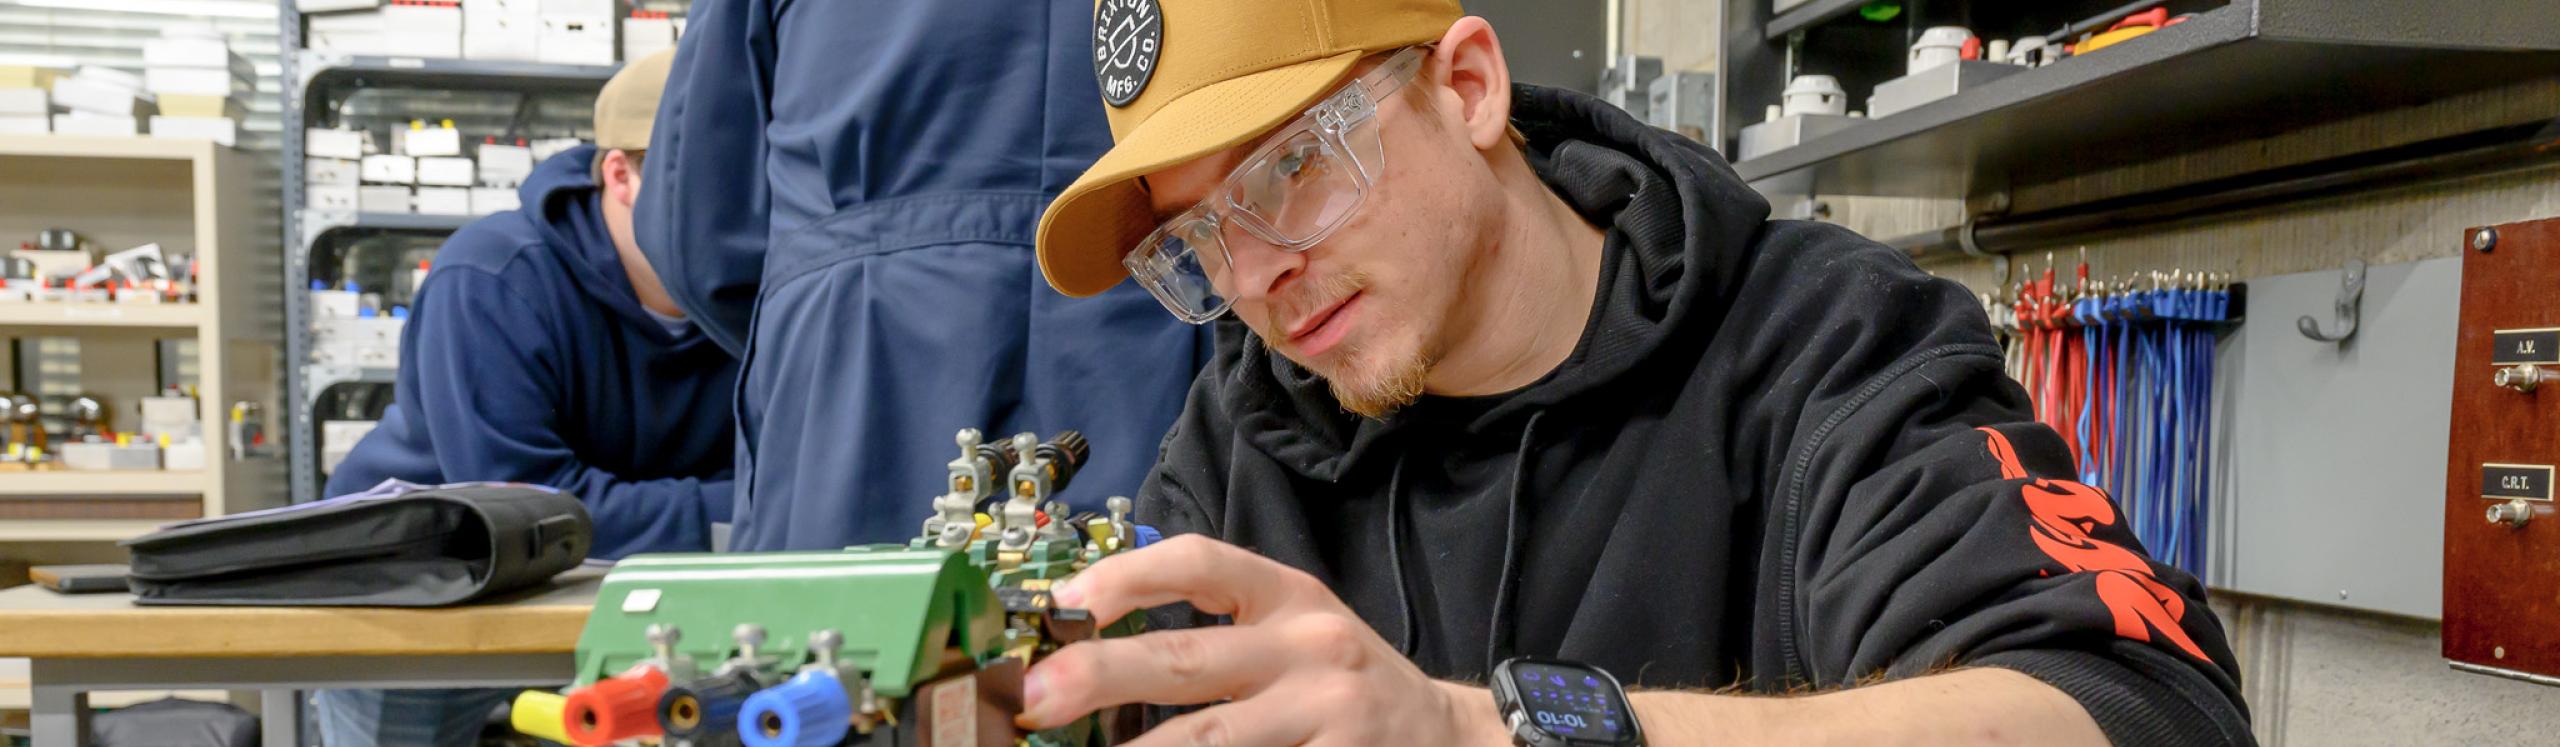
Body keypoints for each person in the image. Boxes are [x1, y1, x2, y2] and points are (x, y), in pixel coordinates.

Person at [1015, 0, 2253, 744]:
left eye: (1287, 171)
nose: (1253, 279)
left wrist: (1489, 728)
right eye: (1197, 239)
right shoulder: (1245, 435)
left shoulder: (1822, 343)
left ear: (1467, 87)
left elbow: (2140, 710)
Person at [636, 0, 1207, 551]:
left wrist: (820, 308)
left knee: (842, 633)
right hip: (1152, 332)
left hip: (856, 357)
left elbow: (696, 234)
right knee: (1161, 623)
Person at [315, 50, 736, 746]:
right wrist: (738, 510)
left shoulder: (748, 301)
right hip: (426, 601)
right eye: (707, 181)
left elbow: (781, 469)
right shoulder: (491, 278)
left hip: (630, 603)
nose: (734, 212)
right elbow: (531, 506)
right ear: (620, 175)